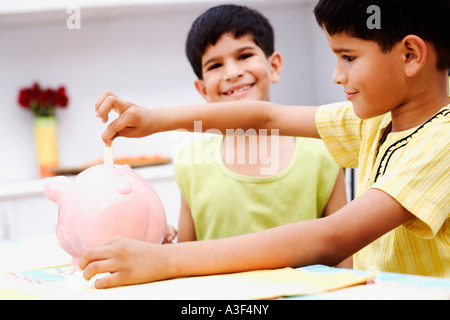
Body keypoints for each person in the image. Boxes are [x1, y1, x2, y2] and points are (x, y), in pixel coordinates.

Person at [82, 0, 449, 288]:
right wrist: (157, 119)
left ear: (410, 55)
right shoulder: (375, 123)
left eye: (348, 57)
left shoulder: (443, 140)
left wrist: (164, 261)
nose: (337, 76)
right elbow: (266, 117)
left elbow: (333, 237)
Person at [174, 4, 348, 261]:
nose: (232, 73)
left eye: (244, 56)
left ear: (274, 66)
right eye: (214, 65)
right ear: (202, 90)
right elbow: (182, 258)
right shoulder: (191, 161)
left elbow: (344, 251)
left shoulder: (323, 151)